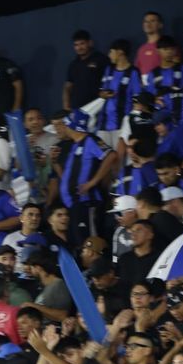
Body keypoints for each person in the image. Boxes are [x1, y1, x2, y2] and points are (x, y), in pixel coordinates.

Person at [57, 109, 117, 242]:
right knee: (80, 246)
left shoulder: (90, 140)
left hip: (87, 203)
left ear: (73, 126)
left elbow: (111, 155)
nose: (63, 128)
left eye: (65, 124)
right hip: (74, 205)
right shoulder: (75, 145)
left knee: (91, 244)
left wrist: (93, 182)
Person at [97, 39, 142, 145]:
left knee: (118, 160)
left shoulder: (133, 73)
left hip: (121, 126)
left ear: (120, 52)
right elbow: (101, 92)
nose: (109, 55)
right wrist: (104, 94)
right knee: (103, 159)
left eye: (111, 52)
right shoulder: (109, 70)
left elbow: (138, 98)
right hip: (103, 125)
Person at [63, 29, 110, 109]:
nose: (79, 48)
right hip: (77, 109)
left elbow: (110, 81)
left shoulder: (101, 59)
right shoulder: (73, 64)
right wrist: (66, 108)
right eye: (76, 45)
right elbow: (68, 87)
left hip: (97, 107)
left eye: (82, 44)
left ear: (90, 43)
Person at [135, 11, 166, 76]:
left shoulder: (167, 46)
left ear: (160, 25)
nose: (148, 24)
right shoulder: (141, 49)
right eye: (146, 21)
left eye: (152, 21)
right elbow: (137, 71)